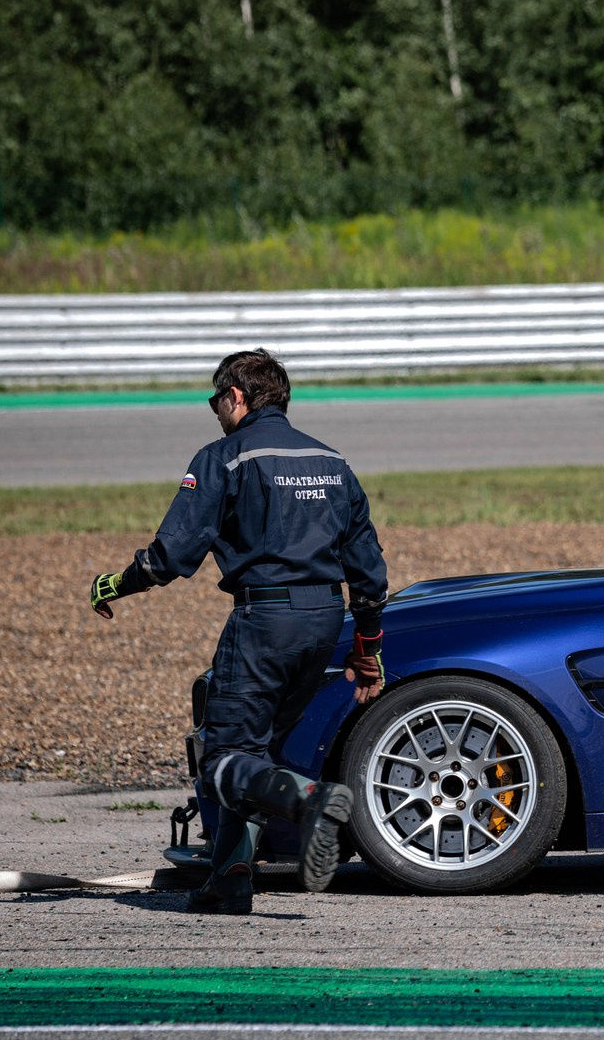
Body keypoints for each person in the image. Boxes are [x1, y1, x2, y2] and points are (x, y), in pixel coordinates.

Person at [88, 349, 388, 914]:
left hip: (263, 622)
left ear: (236, 397)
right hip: (324, 621)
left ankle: (312, 800)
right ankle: (229, 883)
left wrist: (113, 586)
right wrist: (366, 650)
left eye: (214, 401)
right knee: (254, 754)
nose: (215, 413)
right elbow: (369, 574)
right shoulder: (333, 462)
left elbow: (170, 555)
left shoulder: (223, 458)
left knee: (225, 756)